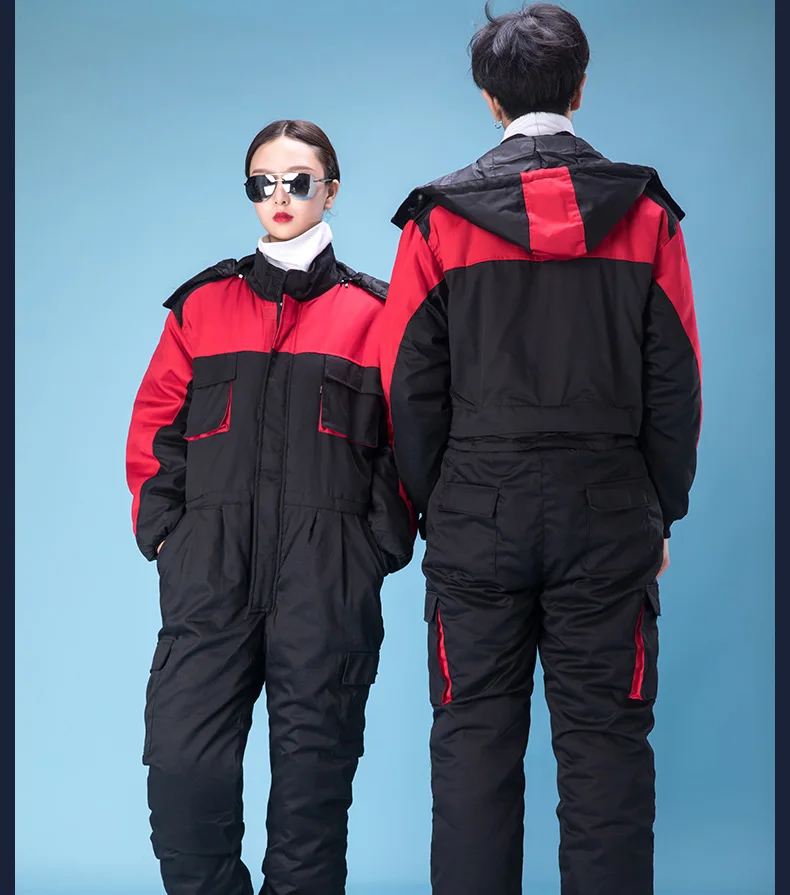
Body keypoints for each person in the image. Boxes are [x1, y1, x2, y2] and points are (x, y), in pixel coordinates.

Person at [379, 4, 701, 894]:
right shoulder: (647, 214)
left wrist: (436, 502)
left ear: (489, 99)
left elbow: (407, 386)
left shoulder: (436, 222)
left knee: (473, 741)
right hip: (610, 510)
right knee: (607, 747)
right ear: (580, 88)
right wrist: (660, 510)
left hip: (475, 511)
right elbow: (676, 380)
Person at [125, 119, 414, 895]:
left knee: (311, 803)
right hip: (210, 576)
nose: (279, 196)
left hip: (326, 582)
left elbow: (409, 443)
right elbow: (156, 429)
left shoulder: (376, 314)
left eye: (298, 180)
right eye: (263, 182)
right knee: (182, 771)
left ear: (332, 189)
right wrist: (171, 535)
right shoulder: (202, 306)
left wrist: (372, 545)